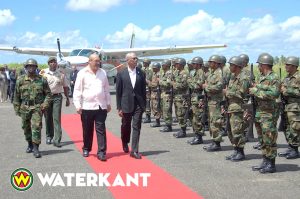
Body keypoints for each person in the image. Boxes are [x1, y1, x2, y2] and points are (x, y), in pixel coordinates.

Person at [73, 53, 111, 161]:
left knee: (101, 129)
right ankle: (86, 148)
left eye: (99, 61)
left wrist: (108, 103)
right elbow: (77, 90)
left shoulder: (102, 72)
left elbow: (106, 89)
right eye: (95, 61)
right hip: (87, 106)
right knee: (87, 129)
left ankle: (102, 152)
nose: (98, 63)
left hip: (100, 106)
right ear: (89, 61)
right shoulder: (82, 73)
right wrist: (77, 105)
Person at [13, 58, 51, 158]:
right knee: (26, 128)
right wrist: (17, 109)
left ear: (36, 67)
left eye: (33, 66)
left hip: (37, 107)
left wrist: (44, 104)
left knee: (36, 127)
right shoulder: (20, 80)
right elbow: (16, 96)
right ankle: (29, 144)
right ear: (26, 67)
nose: (31, 68)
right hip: (24, 107)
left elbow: (48, 94)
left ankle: (36, 148)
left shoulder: (42, 79)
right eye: (29, 66)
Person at [251, 53, 280, 173]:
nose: (258, 67)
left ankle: (271, 164)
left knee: (269, 138)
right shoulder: (260, 77)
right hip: (260, 112)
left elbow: (274, 94)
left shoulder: (274, 78)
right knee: (262, 139)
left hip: (269, 113)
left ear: (263, 65)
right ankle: (265, 160)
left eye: (259, 64)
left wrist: (256, 91)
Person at [116, 52, 146, 159]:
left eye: (136, 58)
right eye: (134, 58)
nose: (136, 60)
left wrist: (144, 105)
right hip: (126, 104)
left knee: (136, 126)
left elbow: (143, 91)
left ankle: (134, 150)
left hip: (138, 104)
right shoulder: (121, 73)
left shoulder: (141, 73)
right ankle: (124, 141)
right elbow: (118, 92)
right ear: (128, 60)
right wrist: (119, 107)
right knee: (126, 126)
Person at [224, 56, 249, 161]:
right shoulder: (233, 77)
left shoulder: (244, 78)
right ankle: (236, 149)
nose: (230, 67)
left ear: (237, 66)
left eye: (231, 65)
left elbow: (242, 93)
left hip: (239, 107)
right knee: (230, 131)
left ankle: (241, 152)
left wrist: (227, 92)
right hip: (231, 107)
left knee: (238, 130)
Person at [42, 56, 70, 147]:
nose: (53, 63)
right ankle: (49, 136)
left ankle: (57, 139)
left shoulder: (61, 74)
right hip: (46, 97)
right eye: (51, 62)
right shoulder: (43, 73)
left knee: (57, 118)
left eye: (54, 62)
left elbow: (65, 86)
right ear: (48, 64)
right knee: (48, 117)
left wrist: (67, 98)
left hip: (57, 97)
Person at [278, 56, 299, 159]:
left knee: (294, 128)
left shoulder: (298, 77)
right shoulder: (286, 77)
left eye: (288, 65)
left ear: (294, 66)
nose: (285, 66)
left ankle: (295, 150)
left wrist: (286, 90)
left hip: (295, 107)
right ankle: (290, 147)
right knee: (287, 128)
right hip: (286, 106)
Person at [202, 55, 223, 152]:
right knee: (212, 121)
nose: (209, 64)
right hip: (211, 101)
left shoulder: (219, 73)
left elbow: (218, 87)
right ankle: (214, 141)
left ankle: (217, 143)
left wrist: (206, 87)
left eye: (211, 62)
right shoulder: (212, 73)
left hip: (215, 101)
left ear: (215, 63)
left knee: (215, 122)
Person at [187, 56, 206, 145]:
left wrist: (190, 82)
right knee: (194, 118)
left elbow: (197, 86)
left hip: (198, 98)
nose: (192, 65)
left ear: (198, 64)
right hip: (194, 97)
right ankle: (196, 135)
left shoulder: (201, 72)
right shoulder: (195, 72)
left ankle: (199, 137)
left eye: (194, 63)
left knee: (198, 118)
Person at [172, 58, 189, 138]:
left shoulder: (184, 73)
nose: (175, 65)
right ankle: (181, 129)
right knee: (178, 114)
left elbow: (183, 85)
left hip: (182, 97)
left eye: (177, 64)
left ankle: (183, 131)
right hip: (177, 97)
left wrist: (173, 84)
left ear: (181, 65)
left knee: (181, 114)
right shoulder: (177, 72)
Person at [159, 59, 174, 132]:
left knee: (167, 110)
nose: (162, 66)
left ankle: (169, 126)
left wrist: (160, 81)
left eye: (163, 64)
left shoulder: (169, 73)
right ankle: (167, 124)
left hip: (167, 94)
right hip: (163, 93)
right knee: (164, 110)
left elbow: (168, 83)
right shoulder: (163, 73)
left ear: (167, 65)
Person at [149, 62, 162, 127]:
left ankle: (158, 122)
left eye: (154, 68)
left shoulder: (159, 74)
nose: (153, 69)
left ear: (158, 68)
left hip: (156, 93)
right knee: (153, 107)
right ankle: (157, 121)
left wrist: (148, 82)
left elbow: (155, 84)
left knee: (156, 107)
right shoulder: (154, 74)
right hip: (153, 93)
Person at [142, 58, 153, 123]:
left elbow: (148, 79)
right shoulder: (143, 69)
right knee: (144, 102)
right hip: (143, 88)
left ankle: (148, 117)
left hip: (147, 88)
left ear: (148, 63)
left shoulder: (150, 70)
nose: (143, 63)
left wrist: (143, 79)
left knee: (147, 102)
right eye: (143, 62)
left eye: (145, 62)